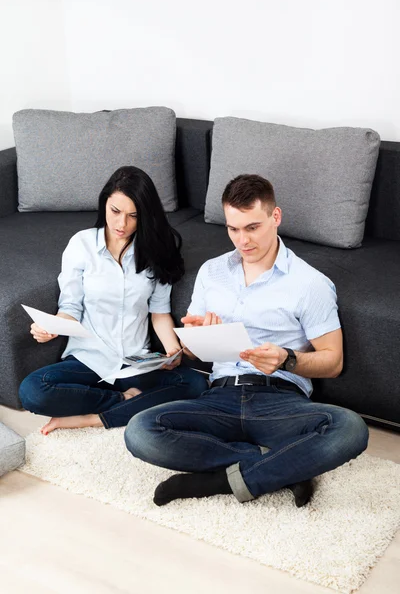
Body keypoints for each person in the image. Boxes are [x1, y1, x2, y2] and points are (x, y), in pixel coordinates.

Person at [124, 174, 369, 508]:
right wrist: (198, 336)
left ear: (275, 217)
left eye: (252, 227)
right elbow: (194, 353)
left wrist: (287, 359)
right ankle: (283, 467)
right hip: (219, 396)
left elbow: (333, 361)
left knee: (350, 428)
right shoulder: (212, 272)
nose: (242, 240)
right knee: (140, 430)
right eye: (233, 229)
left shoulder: (311, 283)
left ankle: (216, 482)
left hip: (280, 402)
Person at [19, 166, 208, 435]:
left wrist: (171, 349)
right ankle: (121, 402)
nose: (122, 224)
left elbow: (159, 312)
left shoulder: (156, 252)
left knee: (196, 385)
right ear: (104, 203)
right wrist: (51, 328)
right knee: (33, 391)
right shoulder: (81, 245)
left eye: (133, 216)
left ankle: (91, 418)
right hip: (88, 360)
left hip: (136, 363)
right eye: (115, 212)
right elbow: (70, 306)